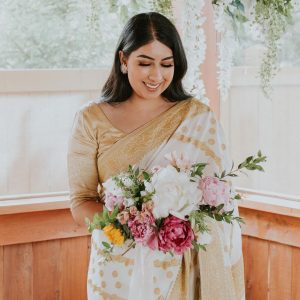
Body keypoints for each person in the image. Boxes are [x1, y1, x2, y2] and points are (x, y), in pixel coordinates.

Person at [67, 12, 245, 300]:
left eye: (167, 64)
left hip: (185, 266)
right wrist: (134, 225)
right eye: (145, 63)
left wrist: (174, 226)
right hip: (118, 267)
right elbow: (80, 203)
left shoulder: (196, 117)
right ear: (124, 61)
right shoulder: (91, 119)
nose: (156, 76)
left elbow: (220, 200)